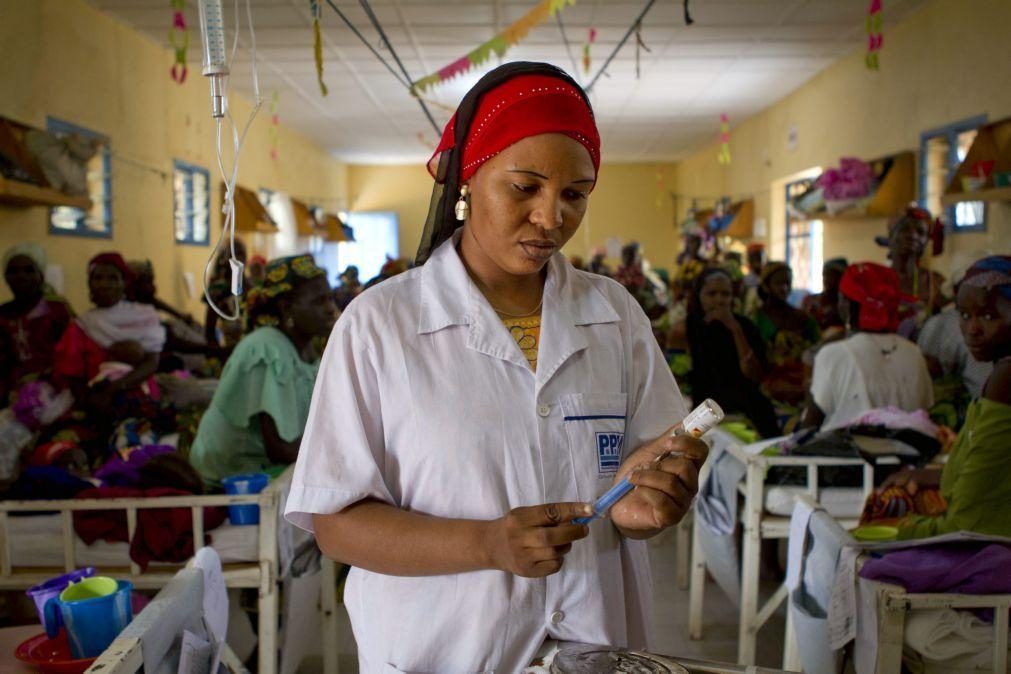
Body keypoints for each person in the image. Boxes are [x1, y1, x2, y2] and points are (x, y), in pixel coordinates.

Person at [283, 62, 708, 673]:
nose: (550, 217)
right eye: (524, 187)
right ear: (468, 181)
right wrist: (485, 543)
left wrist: (644, 510)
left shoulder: (613, 314)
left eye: (574, 194)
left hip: (591, 642)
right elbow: (337, 523)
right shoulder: (380, 324)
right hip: (442, 649)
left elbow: (645, 470)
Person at [876, 256, 1011, 539]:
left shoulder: (1006, 377)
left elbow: (967, 524)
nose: (972, 329)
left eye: (988, 316)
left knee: (879, 516)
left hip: (993, 543)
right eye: (964, 315)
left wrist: (898, 534)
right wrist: (932, 477)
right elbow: (990, 473)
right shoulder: (999, 369)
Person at [188, 255, 337, 485]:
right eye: (319, 301)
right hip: (228, 480)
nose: (331, 309)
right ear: (286, 308)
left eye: (330, 298)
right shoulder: (268, 350)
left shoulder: (306, 350)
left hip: (263, 472)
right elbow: (280, 449)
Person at [803, 262, 933, 430]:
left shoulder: (833, 354)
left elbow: (809, 429)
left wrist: (809, 392)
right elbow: (922, 411)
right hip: (909, 454)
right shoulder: (913, 352)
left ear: (848, 306)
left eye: (841, 297)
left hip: (848, 454)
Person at [52, 253, 166, 429]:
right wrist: (93, 402)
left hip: (142, 400)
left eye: (113, 278)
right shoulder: (81, 327)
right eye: (98, 278)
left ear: (124, 283)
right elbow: (73, 378)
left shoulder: (143, 316)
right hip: (97, 405)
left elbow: (152, 362)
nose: (105, 284)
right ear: (89, 285)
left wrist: (113, 389)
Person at [668, 267, 781, 438]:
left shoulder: (745, 326)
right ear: (699, 296)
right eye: (711, 294)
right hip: (702, 406)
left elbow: (754, 375)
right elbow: (677, 378)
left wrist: (735, 329)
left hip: (746, 403)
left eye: (725, 294)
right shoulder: (684, 329)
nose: (719, 300)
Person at [0, 244, 74, 402]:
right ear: (5, 277)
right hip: (13, 394)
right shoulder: (2, 314)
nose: (21, 276)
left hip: (57, 390)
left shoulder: (56, 308)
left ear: (40, 276)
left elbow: (73, 353)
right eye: (13, 271)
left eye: (29, 270)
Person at [754, 262, 820, 406]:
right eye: (778, 283)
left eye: (787, 283)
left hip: (801, 387)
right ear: (766, 285)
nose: (784, 288)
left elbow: (817, 352)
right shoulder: (755, 319)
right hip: (767, 387)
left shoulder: (803, 318)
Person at [876, 206, 945, 339]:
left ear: (926, 242)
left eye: (920, 232)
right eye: (904, 229)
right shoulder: (875, 279)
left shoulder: (936, 282)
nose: (913, 235)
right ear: (891, 235)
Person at [203, 240, 248, 349]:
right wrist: (220, 355)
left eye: (242, 254)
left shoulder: (249, 286)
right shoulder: (218, 290)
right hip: (230, 351)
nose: (239, 259)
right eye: (234, 254)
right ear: (226, 259)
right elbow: (210, 331)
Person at [802, 257, 848, 334]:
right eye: (824, 275)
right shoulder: (810, 301)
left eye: (832, 275)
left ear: (842, 278)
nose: (826, 279)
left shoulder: (848, 304)